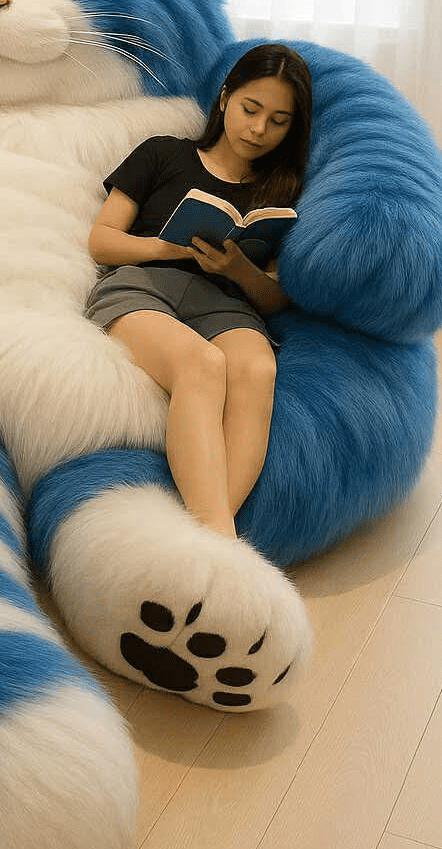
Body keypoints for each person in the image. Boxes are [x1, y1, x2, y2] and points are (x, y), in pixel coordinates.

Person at [85, 42, 312, 540]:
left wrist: (238, 269)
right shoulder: (163, 153)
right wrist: (170, 249)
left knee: (257, 367)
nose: (258, 130)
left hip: (225, 300)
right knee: (202, 365)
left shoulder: (279, 190)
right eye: (251, 109)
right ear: (226, 97)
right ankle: (220, 541)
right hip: (144, 287)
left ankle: (206, 538)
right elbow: (102, 242)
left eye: (278, 121)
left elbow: (274, 299)